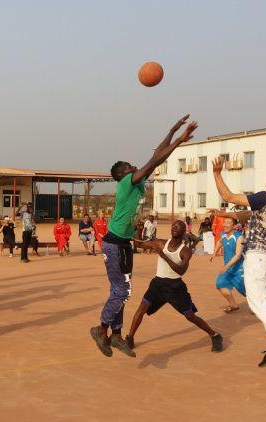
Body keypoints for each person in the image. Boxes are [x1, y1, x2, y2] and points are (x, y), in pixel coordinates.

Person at [89, 114, 198, 358]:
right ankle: (101, 328)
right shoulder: (127, 182)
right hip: (114, 244)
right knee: (119, 291)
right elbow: (153, 159)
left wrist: (172, 130)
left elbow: (159, 156)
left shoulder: (137, 183)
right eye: (129, 166)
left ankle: (116, 335)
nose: (133, 166)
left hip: (125, 244)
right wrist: (180, 139)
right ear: (123, 174)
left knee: (124, 290)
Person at [211, 154, 266, 371]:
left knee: (258, 304)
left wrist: (217, 173)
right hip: (265, 257)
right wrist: (224, 213)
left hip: (257, 258)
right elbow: (248, 213)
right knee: (262, 302)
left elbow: (229, 195)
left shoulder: (265, 197)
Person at [126, 220, 224, 355]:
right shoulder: (161, 243)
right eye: (173, 226)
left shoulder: (185, 251)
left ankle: (215, 335)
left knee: (190, 316)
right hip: (158, 284)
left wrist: (163, 255)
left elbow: (181, 271)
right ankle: (129, 338)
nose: (174, 228)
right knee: (141, 309)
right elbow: (138, 244)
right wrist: (137, 228)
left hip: (175, 287)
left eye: (177, 227)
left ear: (184, 231)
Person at [211, 217, 246, 312]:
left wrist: (226, 266)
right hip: (228, 268)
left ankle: (259, 305)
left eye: (228, 223)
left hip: (240, 269)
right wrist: (214, 253)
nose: (225, 224)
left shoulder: (239, 237)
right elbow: (220, 242)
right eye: (224, 222)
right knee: (220, 284)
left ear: (234, 226)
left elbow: (238, 255)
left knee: (247, 291)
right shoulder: (223, 235)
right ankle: (233, 305)